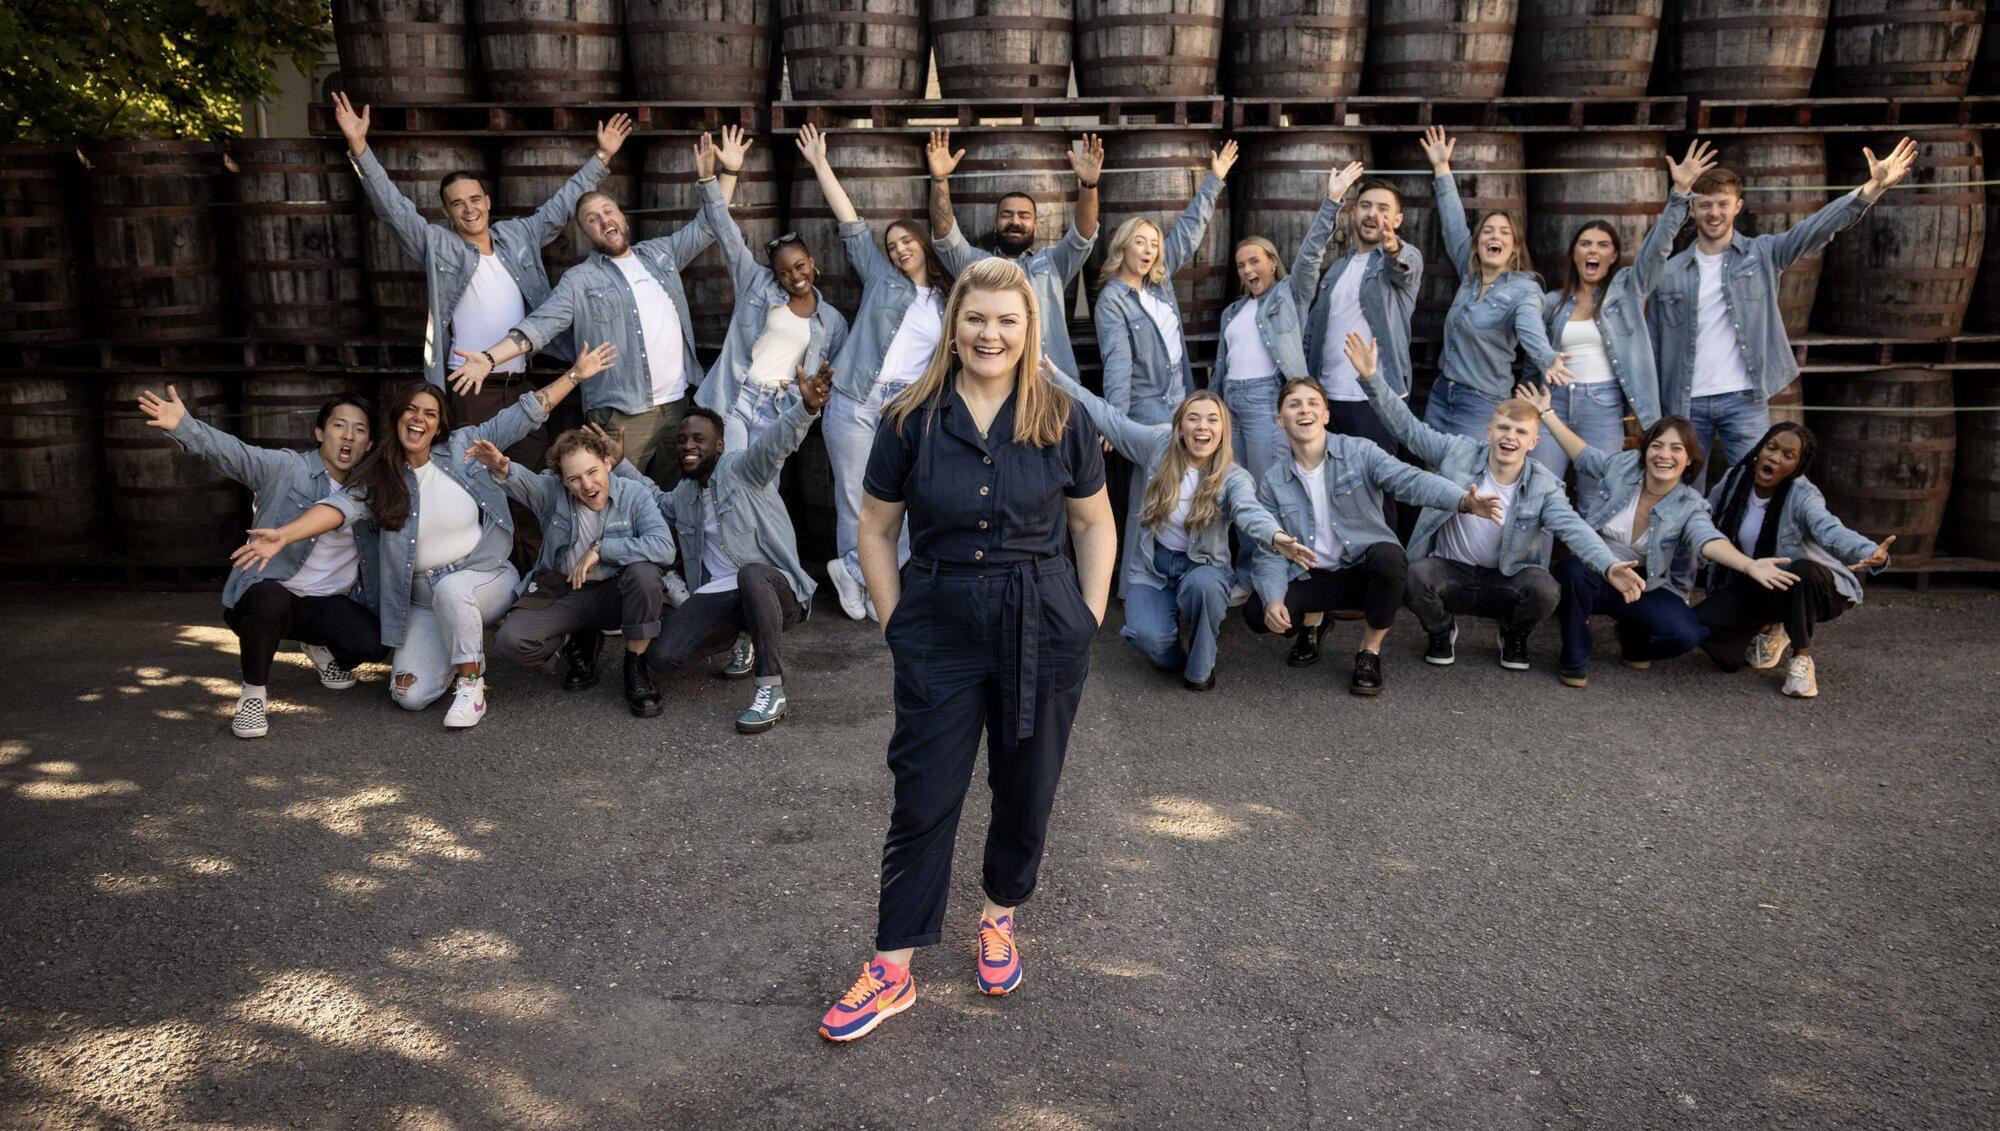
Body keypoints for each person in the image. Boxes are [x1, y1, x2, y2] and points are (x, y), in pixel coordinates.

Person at [819, 258, 1116, 1042]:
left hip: (1040, 618)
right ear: (954, 326)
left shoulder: (1061, 414)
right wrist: (897, 624)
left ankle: (998, 915)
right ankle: (892, 968)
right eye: (976, 318)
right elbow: (876, 529)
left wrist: (1085, 616)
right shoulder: (909, 419)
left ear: (1028, 329)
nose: (990, 334)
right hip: (939, 621)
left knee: (1027, 787)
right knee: (923, 794)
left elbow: (1093, 521)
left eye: (1007, 320)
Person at [232, 352, 608, 727]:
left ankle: (471, 684)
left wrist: (575, 374)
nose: (419, 418)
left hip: (484, 576)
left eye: (430, 413)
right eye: (411, 410)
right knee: (409, 695)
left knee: (453, 591)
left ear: (439, 425)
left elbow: (526, 412)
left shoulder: (464, 447)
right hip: (422, 601)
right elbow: (338, 508)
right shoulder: (380, 477)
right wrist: (284, 534)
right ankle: (458, 645)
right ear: (397, 417)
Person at [446, 128, 752, 488]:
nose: (604, 220)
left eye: (608, 211)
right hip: (619, 418)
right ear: (586, 234)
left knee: (677, 500)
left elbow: (709, 225)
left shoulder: (660, 254)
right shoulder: (579, 280)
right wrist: (489, 358)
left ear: (623, 217)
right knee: (618, 501)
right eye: (592, 219)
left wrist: (728, 172)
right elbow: (537, 327)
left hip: (677, 407)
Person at [332, 91, 631, 440]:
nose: (469, 209)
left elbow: (562, 205)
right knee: (474, 470)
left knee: (532, 469)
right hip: (469, 388)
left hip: (520, 386)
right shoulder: (437, 244)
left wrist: (602, 156)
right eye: (457, 204)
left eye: (475, 199)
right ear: (446, 212)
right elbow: (393, 209)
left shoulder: (518, 235)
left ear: (487, 201)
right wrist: (359, 147)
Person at [1346, 335, 1643, 671]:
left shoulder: (1544, 485)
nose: (1510, 437)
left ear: (1533, 442)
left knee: (1545, 589)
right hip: (1450, 569)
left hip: (1507, 577)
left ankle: (1514, 633)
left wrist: (1608, 565)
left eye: (1520, 432)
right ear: (1489, 432)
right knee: (1414, 575)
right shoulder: (1457, 452)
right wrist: (1371, 377)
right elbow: (1408, 429)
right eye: (1503, 428)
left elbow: (1574, 529)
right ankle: (1441, 630)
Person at [1041, 366, 1315, 691]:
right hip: (1153, 567)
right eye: (1193, 418)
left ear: (1223, 431)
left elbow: (1249, 510)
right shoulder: (1158, 446)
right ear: (1181, 428)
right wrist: (1056, 377)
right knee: (1145, 637)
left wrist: (1276, 536)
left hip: (1202, 568)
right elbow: (1108, 417)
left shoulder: (1233, 477)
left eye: (1212, 420)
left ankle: (1200, 670)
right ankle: (1173, 653)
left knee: (1205, 589)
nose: (1202, 426)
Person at [1651, 136, 1918, 467]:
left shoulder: (1762, 253)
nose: (1714, 213)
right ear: (1692, 209)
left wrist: (1872, 189)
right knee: (1682, 487)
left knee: (1755, 484)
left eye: (1722, 204)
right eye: (1705, 205)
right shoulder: (1670, 272)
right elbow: (1654, 343)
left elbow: (1815, 229)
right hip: (1686, 401)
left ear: (1738, 206)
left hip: (1744, 398)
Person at [139, 386, 386, 740]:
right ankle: (253, 694)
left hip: (327, 603)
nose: (349, 436)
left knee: (374, 644)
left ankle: (317, 646)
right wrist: (184, 426)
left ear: (369, 443)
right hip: (272, 595)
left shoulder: (370, 492)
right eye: (339, 425)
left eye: (359, 430)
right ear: (320, 432)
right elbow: (236, 454)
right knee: (269, 599)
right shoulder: (287, 468)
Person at [1516, 384, 1800, 689]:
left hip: (1642, 584)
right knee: (1571, 570)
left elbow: (1708, 539)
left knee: (1686, 635)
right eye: (1657, 445)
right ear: (1646, 450)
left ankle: (1634, 640)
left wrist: (1749, 565)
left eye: (1676, 449)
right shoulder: (1624, 467)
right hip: (1595, 572)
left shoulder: (1689, 504)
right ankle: (1574, 655)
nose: (1664, 455)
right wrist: (1546, 413)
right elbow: (1583, 456)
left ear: (1689, 459)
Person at [612, 366, 833, 734]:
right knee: (664, 657)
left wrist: (806, 408)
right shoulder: (685, 494)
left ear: (719, 446)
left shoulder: (743, 469)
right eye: (682, 439)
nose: (688, 446)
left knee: (751, 574)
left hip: (776, 591)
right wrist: (619, 464)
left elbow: (774, 445)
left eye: (698, 439)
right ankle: (743, 636)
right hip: (722, 594)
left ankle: (771, 690)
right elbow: (655, 499)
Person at [1246, 378, 1500, 695]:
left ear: (1326, 415)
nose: (1304, 410)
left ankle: (1369, 650)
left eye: (1313, 403)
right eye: (1294, 405)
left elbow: (1410, 480)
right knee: (1258, 613)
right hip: (1312, 575)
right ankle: (1314, 622)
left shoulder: (1360, 452)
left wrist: (1462, 500)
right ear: (1280, 419)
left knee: (1389, 557)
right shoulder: (1273, 481)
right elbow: (1269, 550)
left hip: (1360, 572)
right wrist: (1273, 599)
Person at [796, 122, 952, 622]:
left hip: (903, 406)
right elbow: (850, 221)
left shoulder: (949, 301)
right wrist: (820, 163)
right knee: (853, 496)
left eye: (907, 241)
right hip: (854, 397)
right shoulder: (881, 276)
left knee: (905, 495)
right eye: (893, 245)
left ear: (924, 244)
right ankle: (862, 580)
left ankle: (856, 570)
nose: (899, 249)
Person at [1536, 141, 1712, 497]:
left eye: (1603, 245)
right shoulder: (1553, 302)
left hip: (1602, 407)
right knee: (1541, 491)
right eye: (1585, 244)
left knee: (1598, 495)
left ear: (1614, 255)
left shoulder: (1626, 291)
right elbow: (1534, 351)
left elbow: (1656, 250)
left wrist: (1680, 193)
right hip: (1554, 402)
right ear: (1574, 253)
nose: (1593, 250)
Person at [1214, 159, 1356, 596]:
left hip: (1265, 403)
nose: (1247, 270)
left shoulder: (1288, 296)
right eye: (1241, 265)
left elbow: (1311, 254)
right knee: (1235, 491)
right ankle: (1246, 573)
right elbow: (1221, 368)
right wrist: (1214, 409)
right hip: (1231, 406)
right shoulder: (1233, 311)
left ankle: (1276, 575)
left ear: (1273, 263)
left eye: (1254, 261)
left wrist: (1332, 201)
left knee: (1265, 492)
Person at [476, 427, 677, 717]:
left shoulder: (635, 494)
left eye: (593, 472)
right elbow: (524, 482)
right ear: (563, 481)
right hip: (567, 591)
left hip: (617, 593)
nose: (587, 485)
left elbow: (664, 548)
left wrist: (602, 549)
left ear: (607, 462)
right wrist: (501, 467)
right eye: (574, 479)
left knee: (645, 574)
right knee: (511, 642)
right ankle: (578, 640)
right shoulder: (552, 492)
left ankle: (636, 665)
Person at [1695, 423, 1893, 699]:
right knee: (1706, 635)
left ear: (1797, 466)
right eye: (1771, 448)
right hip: (1761, 583)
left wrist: (1867, 551)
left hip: (1812, 587)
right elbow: (1703, 517)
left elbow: (1829, 529)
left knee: (1802, 571)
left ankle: (1801, 659)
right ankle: (1770, 627)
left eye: (1788, 455)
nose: (1775, 458)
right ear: (1759, 450)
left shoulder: (1802, 494)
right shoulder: (1734, 480)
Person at [1416, 127, 1571, 439]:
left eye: (1503, 232)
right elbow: (1453, 225)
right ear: (1477, 244)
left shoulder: (1525, 289)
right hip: (1443, 392)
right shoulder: (1470, 275)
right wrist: (1442, 168)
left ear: (1514, 247)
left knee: (1470, 469)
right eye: (1487, 231)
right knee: (1430, 467)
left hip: (1482, 403)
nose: (1494, 236)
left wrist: (1547, 358)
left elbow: (1530, 327)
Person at [924, 128, 1103, 380]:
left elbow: (1083, 234)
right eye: (1006, 215)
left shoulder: (1052, 263)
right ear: (995, 223)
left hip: (1053, 385)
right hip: (995, 385)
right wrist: (939, 179)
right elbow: (945, 234)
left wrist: (1088, 185)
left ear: (1035, 226)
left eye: (1024, 215)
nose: (1015, 221)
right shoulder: (974, 265)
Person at [691, 169, 847, 450]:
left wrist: (803, 395)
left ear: (811, 262)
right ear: (775, 275)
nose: (795, 277)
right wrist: (710, 182)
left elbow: (833, 376)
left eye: (799, 266)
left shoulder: (832, 321)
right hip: (736, 396)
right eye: (784, 272)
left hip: (778, 408)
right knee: (732, 469)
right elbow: (728, 235)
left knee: (763, 476)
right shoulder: (756, 283)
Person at [1095, 140, 1234, 427]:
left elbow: (1187, 232)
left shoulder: (1158, 281)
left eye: (1154, 244)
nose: (1148, 250)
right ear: (1123, 246)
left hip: (1181, 398)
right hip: (1147, 407)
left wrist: (1214, 180)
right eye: (1140, 242)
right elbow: (1118, 363)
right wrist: (1116, 421)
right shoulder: (1112, 301)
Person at [1303, 175, 1421, 465]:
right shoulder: (1337, 269)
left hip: (1375, 401)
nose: (1372, 214)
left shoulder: (1403, 259)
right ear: (1354, 211)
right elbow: (1314, 332)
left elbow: (1402, 266)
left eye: (1383, 208)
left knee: (1376, 485)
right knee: (1331, 483)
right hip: (1328, 397)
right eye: (1366, 206)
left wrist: (1392, 249)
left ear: (1397, 220)